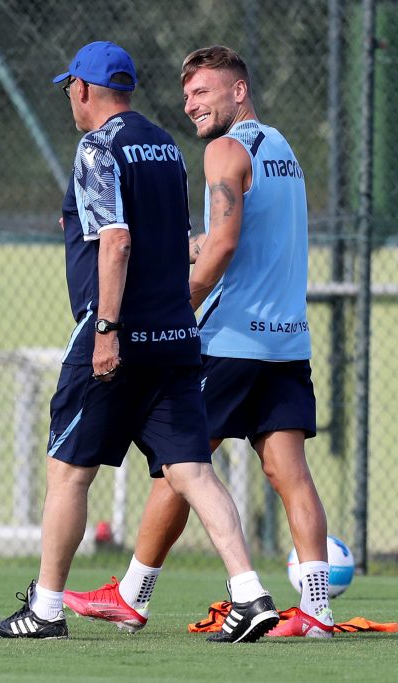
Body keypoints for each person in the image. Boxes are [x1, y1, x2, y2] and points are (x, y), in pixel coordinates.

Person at [0, 41, 279, 644]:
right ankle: (251, 595)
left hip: (115, 338)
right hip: (174, 335)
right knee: (194, 469)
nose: (70, 98)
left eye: (71, 89)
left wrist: (107, 330)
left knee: (68, 472)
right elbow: (182, 237)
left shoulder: (97, 147)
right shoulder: (167, 145)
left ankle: (45, 609)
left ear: (85, 90)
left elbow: (115, 242)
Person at [63, 45, 332, 639]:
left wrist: (178, 303)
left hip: (231, 338)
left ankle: (133, 595)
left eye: (203, 92)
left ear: (239, 91)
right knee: (290, 472)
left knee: (181, 467)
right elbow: (243, 236)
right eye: (187, 96)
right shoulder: (282, 149)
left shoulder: (222, 150)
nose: (191, 106)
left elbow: (225, 244)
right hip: (287, 339)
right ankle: (317, 611)